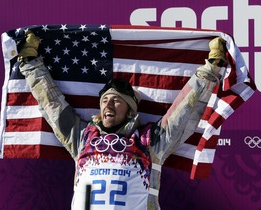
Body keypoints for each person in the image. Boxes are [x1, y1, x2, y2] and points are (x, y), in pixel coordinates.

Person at [18, 31, 227, 210]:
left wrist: (211, 69)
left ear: (130, 110)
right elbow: (51, 104)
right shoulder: (82, 138)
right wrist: (30, 64)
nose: (108, 105)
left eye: (116, 101)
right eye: (105, 100)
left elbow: (184, 112)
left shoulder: (149, 141)